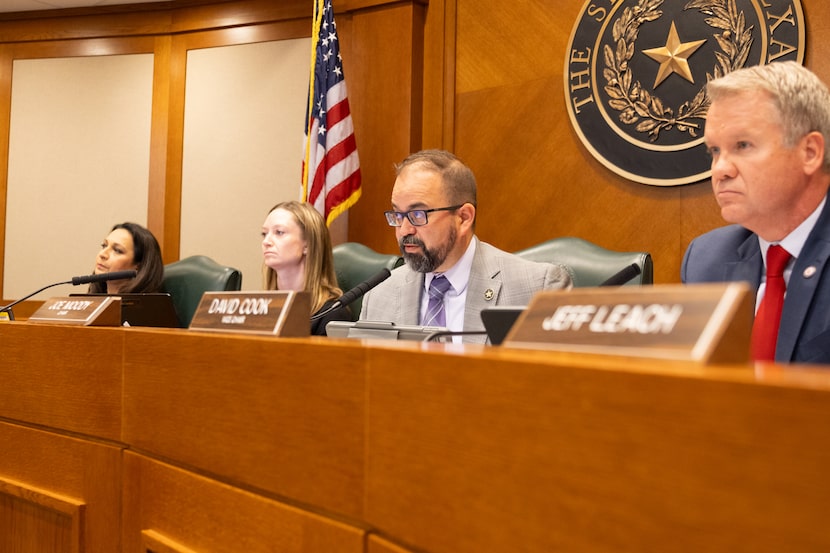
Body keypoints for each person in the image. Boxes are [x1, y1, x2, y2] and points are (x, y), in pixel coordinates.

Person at [681, 61, 830, 364]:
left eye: (743, 145)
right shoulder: (706, 259)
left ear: (810, 152)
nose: (720, 170)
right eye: (715, 151)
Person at [360, 149, 572, 343]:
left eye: (418, 214)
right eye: (398, 215)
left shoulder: (538, 289)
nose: (404, 230)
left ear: (463, 217)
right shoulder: (379, 296)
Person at [262, 200, 351, 335]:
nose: (266, 242)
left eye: (279, 232)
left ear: (308, 244)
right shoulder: (261, 309)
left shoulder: (332, 315)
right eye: (264, 233)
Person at [90, 222, 164, 294]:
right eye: (104, 246)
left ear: (139, 266)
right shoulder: (92, 302)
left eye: (117, 250)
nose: (102, 254)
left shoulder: (148, 306)